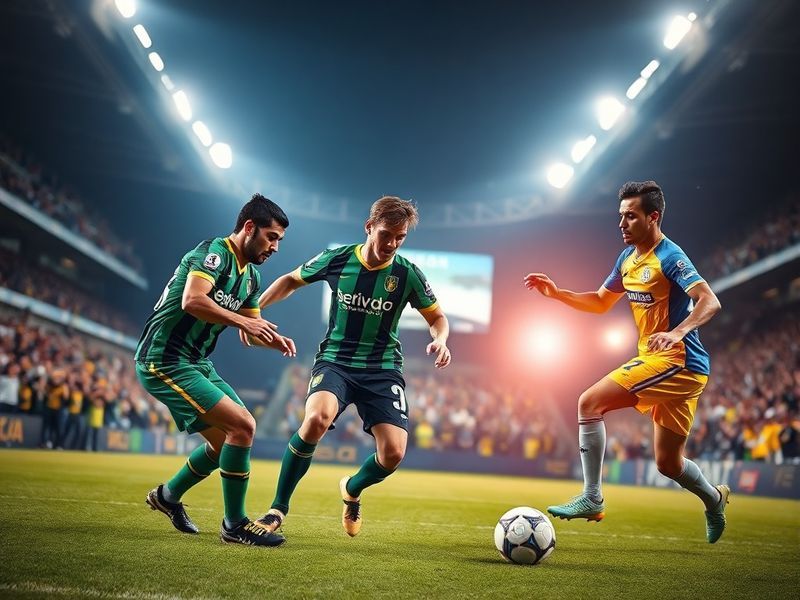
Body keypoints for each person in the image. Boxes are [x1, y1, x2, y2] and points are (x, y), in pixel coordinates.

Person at [524, 181, 730, 543]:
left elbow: (709, 301)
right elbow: (601, 301)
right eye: (620, 216)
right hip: (667, 363)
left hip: (678, 359)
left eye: (631, 216)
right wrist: (557, 294)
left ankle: (592, 497)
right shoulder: (627, 259)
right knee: (669, 465)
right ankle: (715, 500)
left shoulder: (670, 257)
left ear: (653, 217)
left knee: (589, 402)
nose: (622, 224)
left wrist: (679, 332)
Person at [254, 195, 451, 537]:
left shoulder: (407, 274)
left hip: (382, 369)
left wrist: (442, 338)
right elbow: (290, 280)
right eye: (386, 234)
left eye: (400, 237)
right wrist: (253, 311)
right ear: (369, 227)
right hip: (337, 361)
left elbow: (437, 317)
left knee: (393, 454)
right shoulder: (338, 259)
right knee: (316, 418)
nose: (392, 243)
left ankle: (352, 490)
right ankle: (277, 509)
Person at [135, 194, 295, 547]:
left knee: (226, 441)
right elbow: (191, 300)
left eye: (279, 240)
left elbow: (249, 332)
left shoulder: (251, 277)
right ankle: (234, 524)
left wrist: (275, 339)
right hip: (163, 358)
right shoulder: (214, 253)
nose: (275, 247)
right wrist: (245, 322)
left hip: (197, 362)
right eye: (271, 237)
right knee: (243, 426)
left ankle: (167, 496)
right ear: (249, 228)